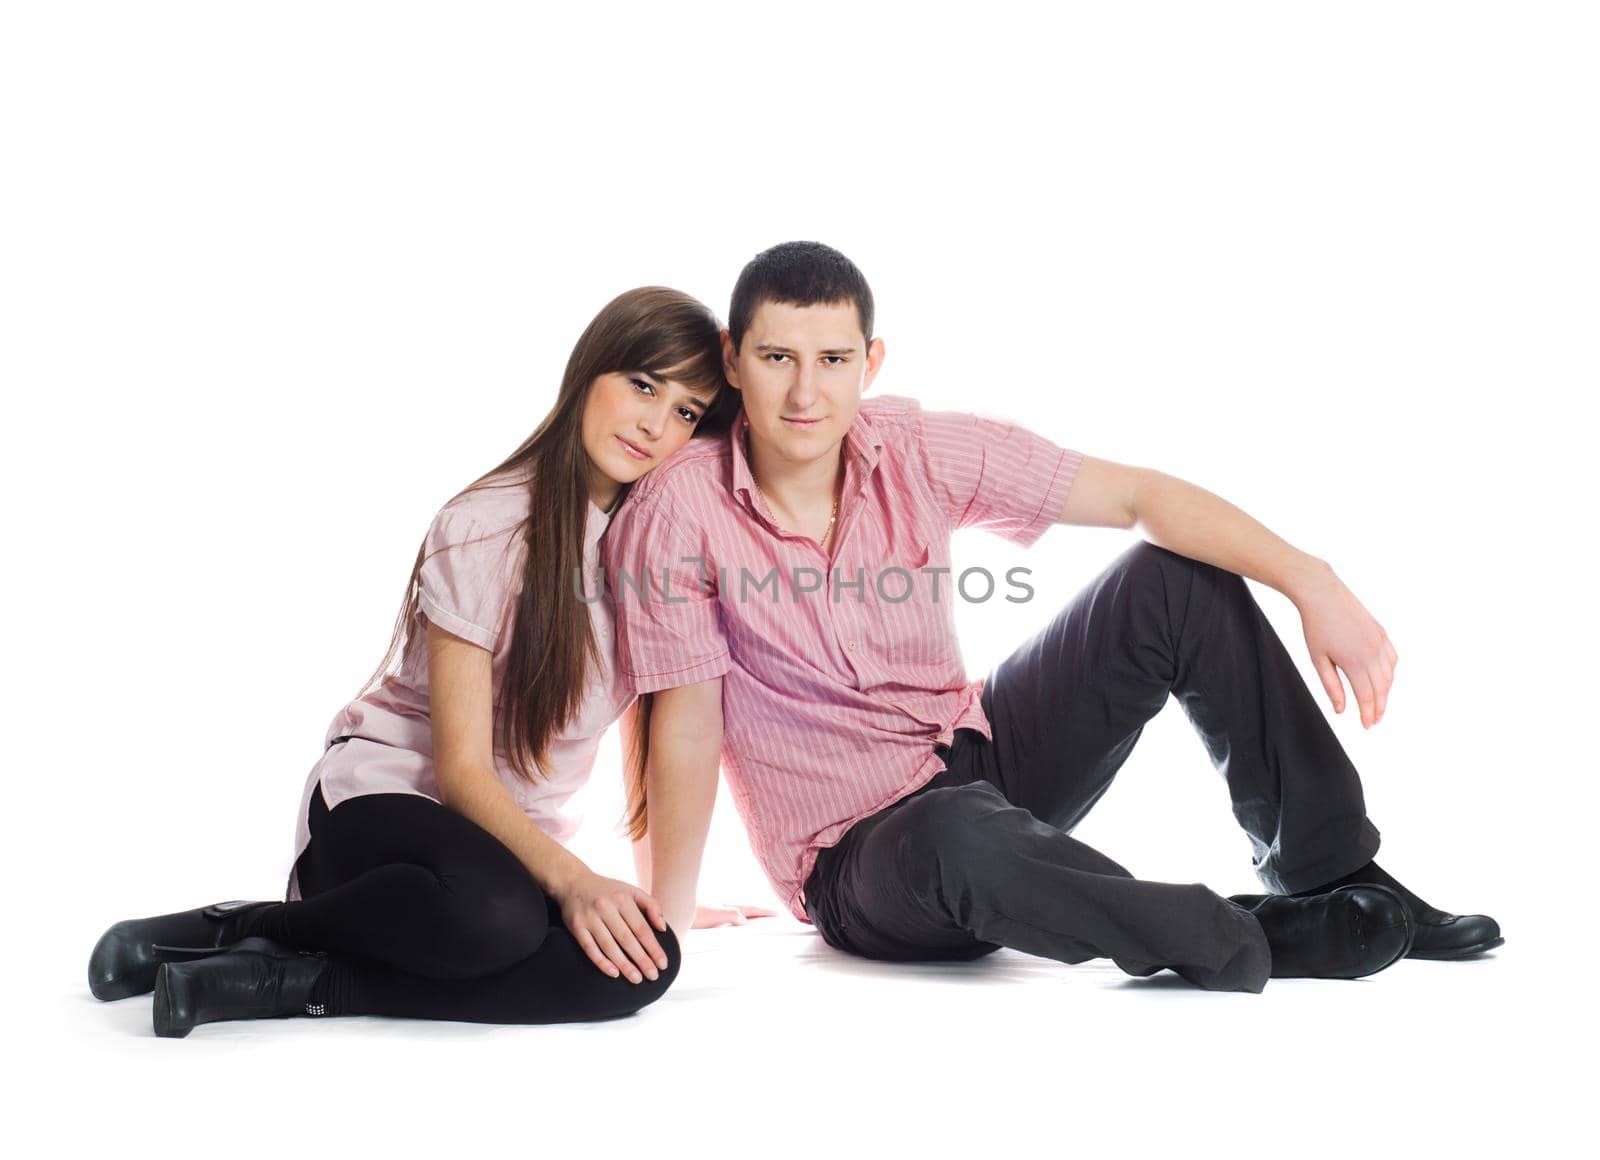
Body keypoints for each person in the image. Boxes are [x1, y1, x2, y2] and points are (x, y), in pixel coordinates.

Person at [605, 242, 1503, 993]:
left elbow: (1141, 498)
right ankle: (1244, 933)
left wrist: (1315, 581)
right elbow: (680, 726)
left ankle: (1334, 874)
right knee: (951, 831)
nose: (806, 393)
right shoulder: (679, 511)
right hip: (861, 860)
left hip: (975, 758)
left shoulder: (913, 446)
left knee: (1175, 579)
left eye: (832, 359)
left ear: (869, 363)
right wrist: (668, 915)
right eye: (777, 358)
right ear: (732, 359)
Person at [88, 285, 749, 1036]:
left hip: (499, 853)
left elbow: (649, 732)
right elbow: (463, 772)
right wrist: (571, 882)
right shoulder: (487, 526)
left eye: (688, 411)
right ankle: (244, 927)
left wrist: (655, 895)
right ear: (589, 371)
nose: (655, 424)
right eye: (642, 385)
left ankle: (296, 982)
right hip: (388, 819)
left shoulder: (653, 551)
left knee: (648, 959)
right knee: (495, 918)